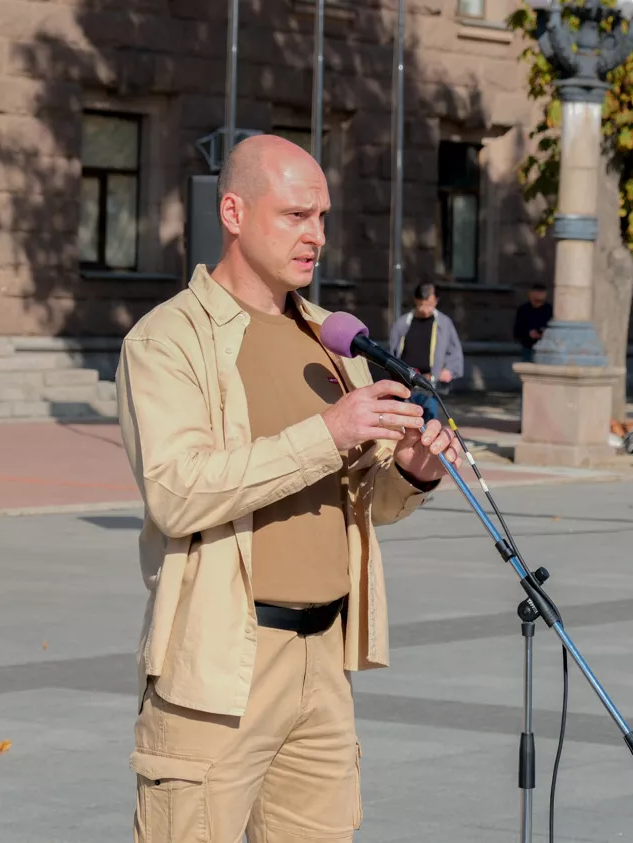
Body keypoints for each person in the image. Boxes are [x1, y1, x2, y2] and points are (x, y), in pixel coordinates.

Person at [115, 134, 463, 843]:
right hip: (220, 664)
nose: (318, 236)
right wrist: (327, 433)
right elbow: (177, 490)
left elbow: (362, 503)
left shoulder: (331, 340)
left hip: (324, 662)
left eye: (324, 217)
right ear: (235, 212)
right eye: (297, 215)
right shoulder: (169, 340)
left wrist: (411, 470)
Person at [386, 282, 464, 422]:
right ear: (416, 300)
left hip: (429, 385)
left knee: (429, 423)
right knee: (404, 424)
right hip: (406, 382)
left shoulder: (444, 323)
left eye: (430, 305)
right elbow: (392, 352)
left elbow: (455, 351)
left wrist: (449, 370)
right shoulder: (403, 323)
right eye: (423, 305)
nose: (427, 310)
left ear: (436, 301)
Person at [513, 283, 552, 363]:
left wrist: (545, 332)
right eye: (537, 292)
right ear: (530, 294)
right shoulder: (523, 310)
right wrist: (529, 334)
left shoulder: (549, 310)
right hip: (528, 347)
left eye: (542, 292)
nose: (540, 295)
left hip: (546, 349)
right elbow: (517, 331)